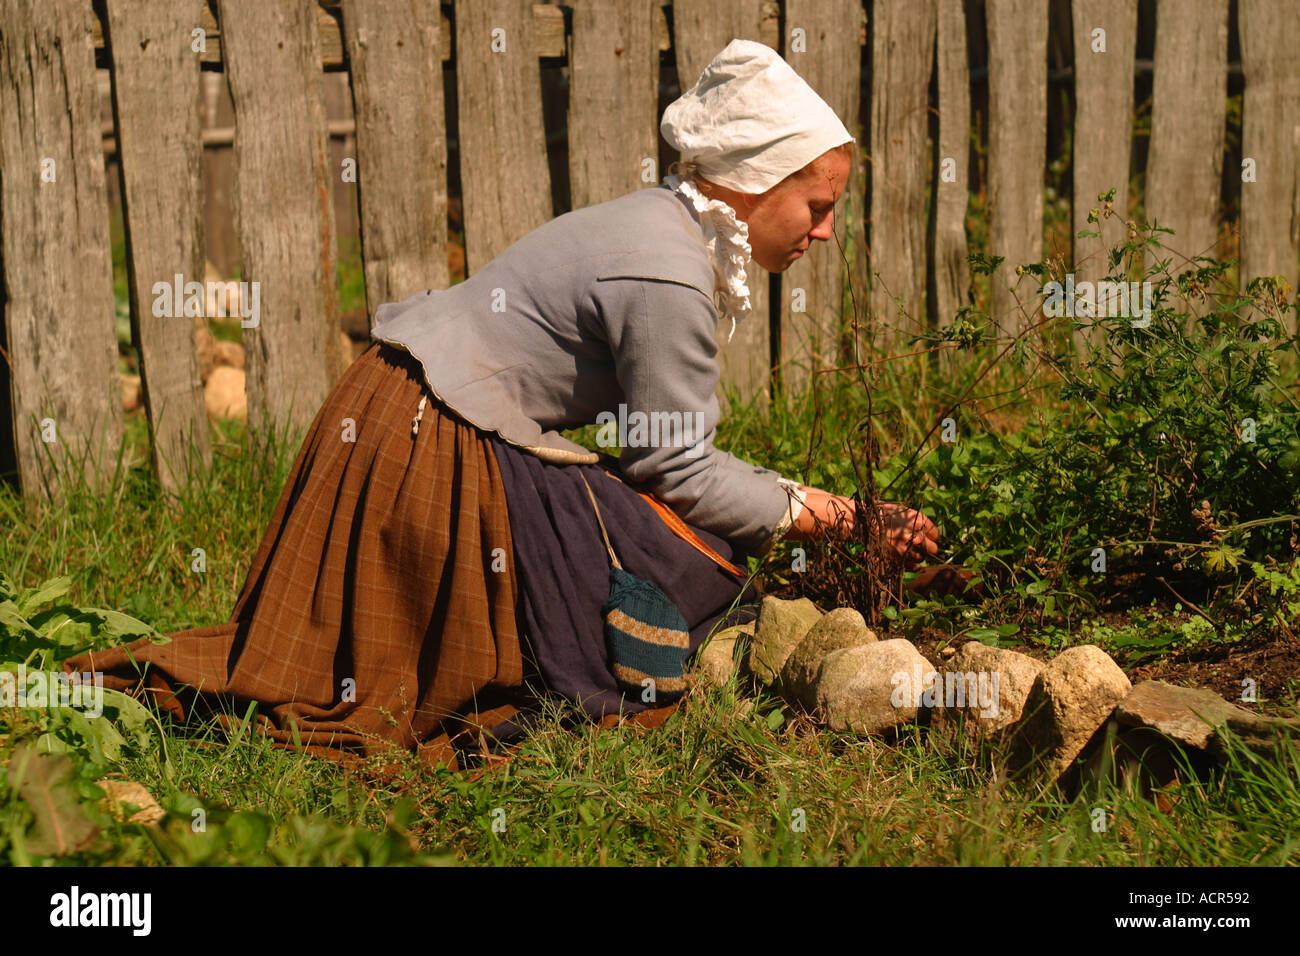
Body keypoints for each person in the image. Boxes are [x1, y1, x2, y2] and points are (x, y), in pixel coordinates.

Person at [69, 39, 940, 771]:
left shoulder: (659, 226)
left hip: (398, 413)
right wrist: (832, 515)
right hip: (431, 443)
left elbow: (662, 450)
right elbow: (673, 466)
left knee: (651, 532)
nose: (824, 231)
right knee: (688, 562)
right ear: (756, 182)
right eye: (818, 207)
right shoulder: (670, 271)